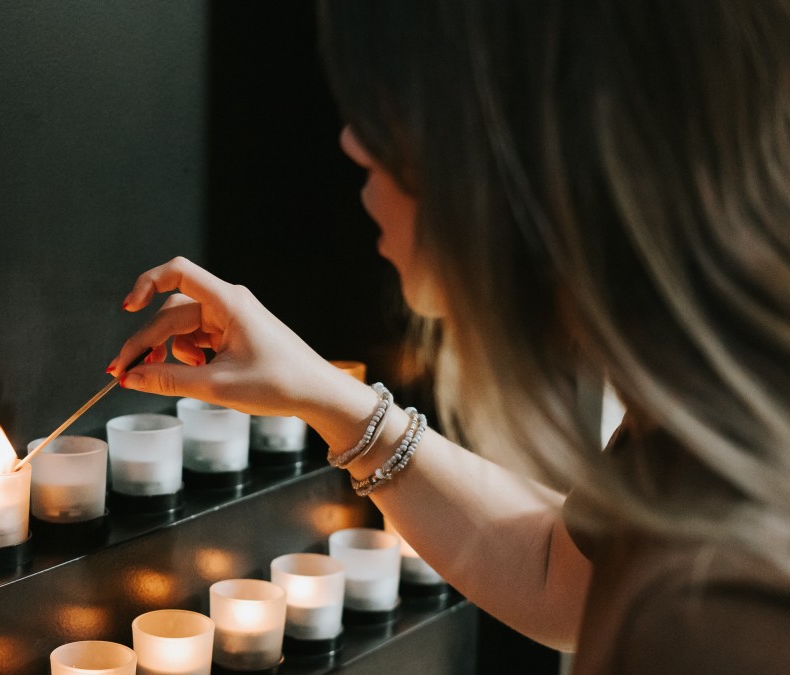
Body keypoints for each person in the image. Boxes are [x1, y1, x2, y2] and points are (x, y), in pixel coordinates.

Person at [106, 1, 790, 672]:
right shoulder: (703, 408)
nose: (352, 141)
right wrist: (325, 396)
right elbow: (562, 577)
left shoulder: (713, 616)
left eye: (400, 96)